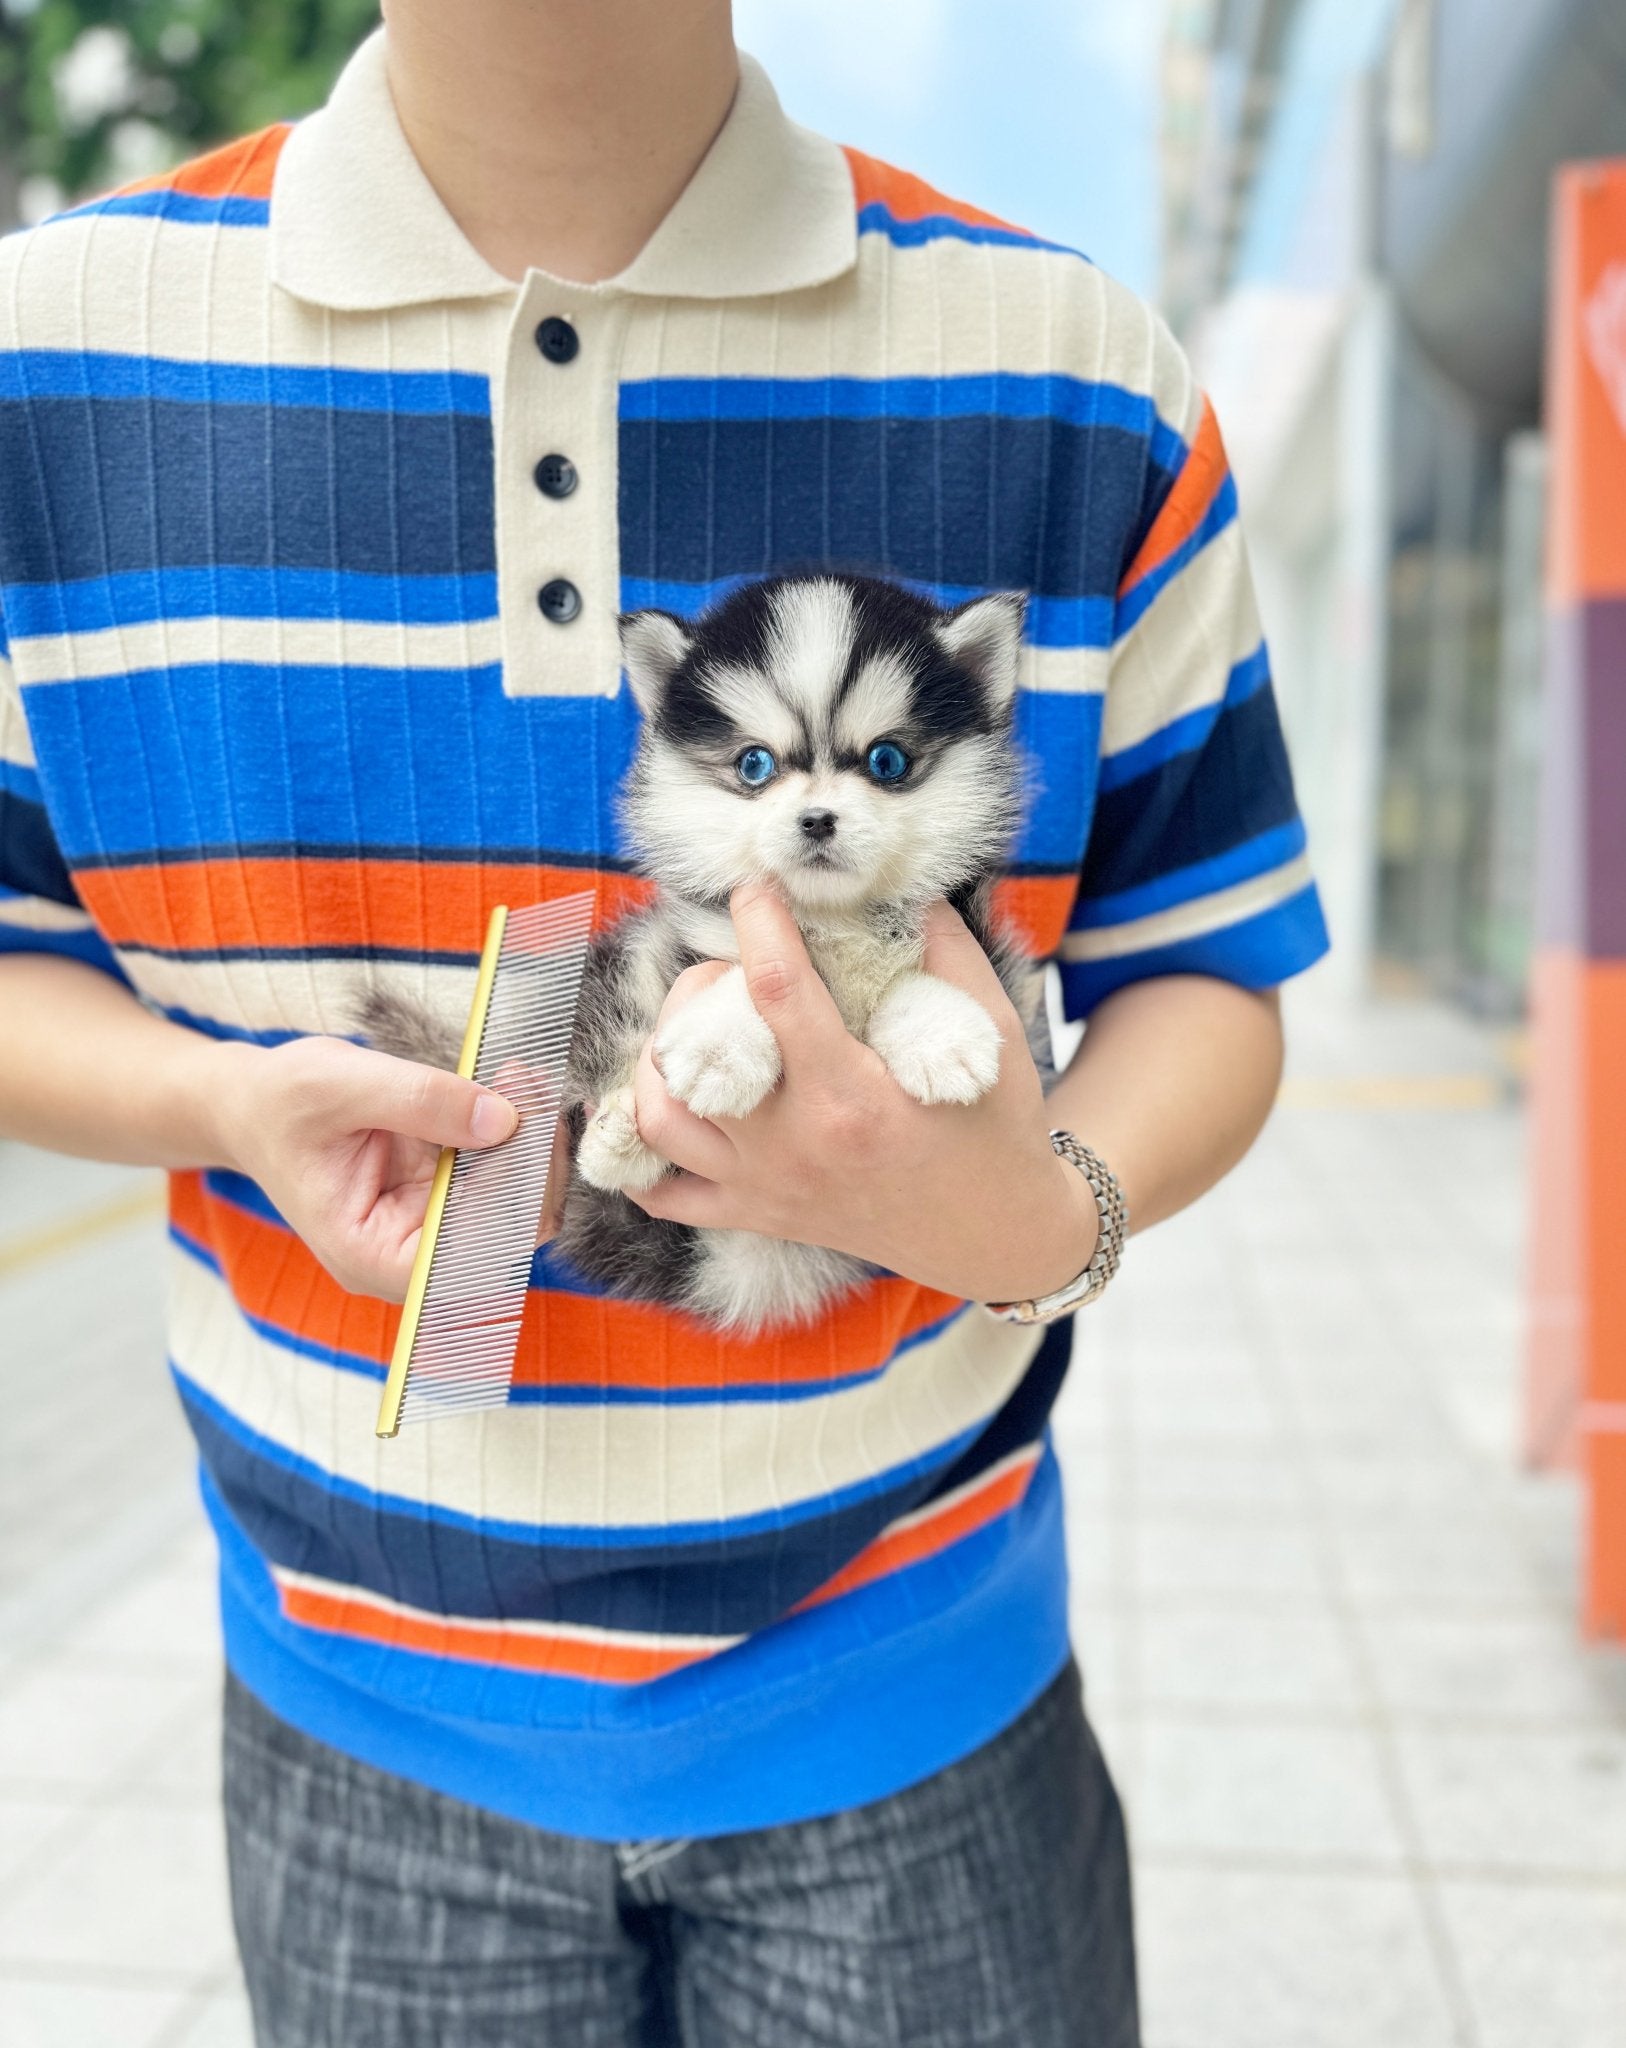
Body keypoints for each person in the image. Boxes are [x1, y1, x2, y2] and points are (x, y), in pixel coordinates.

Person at [0, 3, 1328, 2042]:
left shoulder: (1075, 377)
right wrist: (219, 1100)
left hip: (918, 1688)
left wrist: (1043, 1215)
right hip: (351, 1703)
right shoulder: (48, 365)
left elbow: (1205, 970)